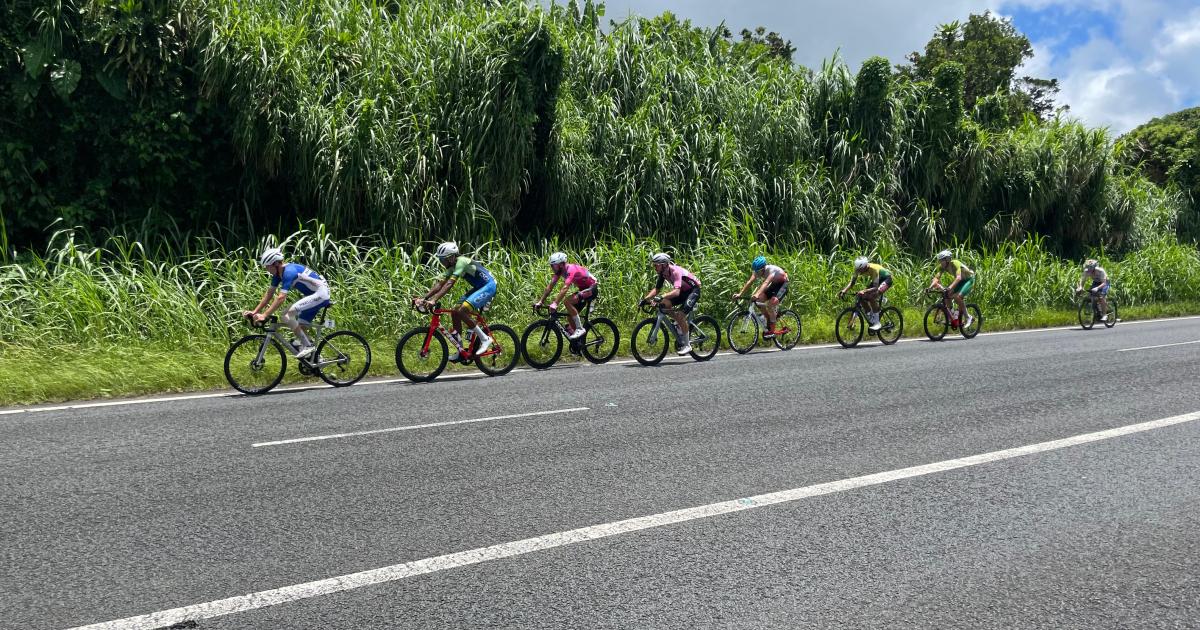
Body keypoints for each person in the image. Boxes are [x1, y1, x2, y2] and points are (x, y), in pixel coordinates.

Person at [243, 247, 330, 359]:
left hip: (321, 294)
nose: (266, 269)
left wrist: (264, 315)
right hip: (313, 295)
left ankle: (308, 346)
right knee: (300, 328)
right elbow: (269, 295)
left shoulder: (289, 272)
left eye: (267, 266)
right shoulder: (278, 275)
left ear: (276, 264)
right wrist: (255, 311)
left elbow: (281, 298)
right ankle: (316, 360)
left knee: (286, 315)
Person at [414, 242, 496, 360]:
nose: (442, 262)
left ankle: (485, 338)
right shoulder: (452, 267)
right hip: (479, 287)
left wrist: (434, 300)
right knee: (455, 312)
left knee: (462, 310)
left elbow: (449, 284)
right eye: (440, 260)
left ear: (452, 257)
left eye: (443, 260)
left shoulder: (461, 261)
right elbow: (439, 284)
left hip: (489, 286)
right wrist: (424, 298)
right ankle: (460, 350)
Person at [642, 252, 701, 355]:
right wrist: (645, 299)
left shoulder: (675, 271)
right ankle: (678, 323)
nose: (654, 267)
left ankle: (687, 345)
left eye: (656, 265)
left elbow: (676, 292)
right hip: (683, 291)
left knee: (680, 316)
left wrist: (662, 296)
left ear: (664, 264)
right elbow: (657, 289)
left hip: (693, 290)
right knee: (664, 304)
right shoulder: (663, 273)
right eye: (654, 265)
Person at [533, 252, 597, 340]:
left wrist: (555, 303)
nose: (552, 268)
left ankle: (580, 329)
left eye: (554, 266)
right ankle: (579, 342)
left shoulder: (571, 269)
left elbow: (565, 288)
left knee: (567, 301)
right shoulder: (560, 272)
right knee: (570, 317)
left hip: (591, 288)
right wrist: (541, 301)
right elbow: (549, 287)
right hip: (583, 289)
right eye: (551, 266)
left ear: (561, 264)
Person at [732, 256, 789, 338]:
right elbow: (750, 282)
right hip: (774, 284)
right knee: (758, 301)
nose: (757, 274)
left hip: (783, 284)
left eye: (758, 272)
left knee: (771, 304)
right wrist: (740, 294)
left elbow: (766, 283)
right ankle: (768, 319)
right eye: (755, 271)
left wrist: (757, 294)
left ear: (763, 268)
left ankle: (772, 331)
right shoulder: (757, 271)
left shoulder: (771, 270)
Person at [839, 256, 894, 331]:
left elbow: (875, 287)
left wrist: (864, 291)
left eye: (860, 270)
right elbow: (852, 282)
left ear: (865, 266)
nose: (858, 271)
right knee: (861, 296)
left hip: (886, 279)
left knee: (872, 296)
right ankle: (871, 317)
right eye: (857, 269)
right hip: (877, 280)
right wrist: (844, 291)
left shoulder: (873, 269)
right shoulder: (858, 269)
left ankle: (877, 322)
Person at [928, 249, 975, 329]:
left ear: (947, 260)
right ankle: (953, 314)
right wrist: (930, 287)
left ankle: (968, 317)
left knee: (958, 297)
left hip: (968, 280)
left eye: (942, 260)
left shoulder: (955, 263)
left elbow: (958, 278)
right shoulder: (942, 267)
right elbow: (936, 278)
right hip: (961, 282)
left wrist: (949, 287)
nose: (940, 262)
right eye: (940, 261)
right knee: (947, 295)